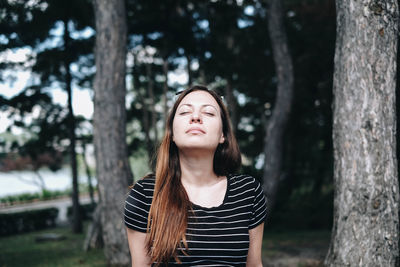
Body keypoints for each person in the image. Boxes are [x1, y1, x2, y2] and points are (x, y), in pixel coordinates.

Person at [124, 85, 267, 266]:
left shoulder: (248, 191)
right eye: (184, 112)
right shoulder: (145, 194)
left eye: (208, 113)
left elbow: (254, 265)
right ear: (172, 134)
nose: (196, 117)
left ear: (222, 135)